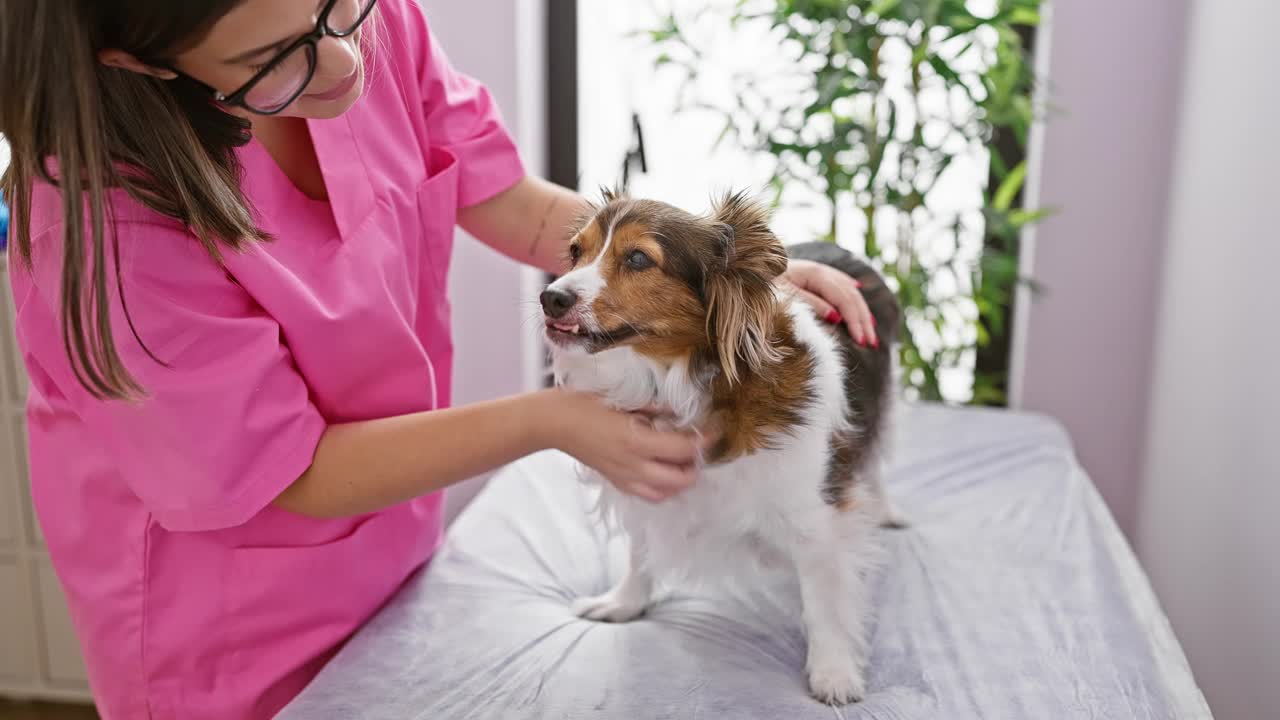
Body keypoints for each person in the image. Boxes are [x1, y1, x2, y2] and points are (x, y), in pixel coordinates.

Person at [0, 1, 878, 717]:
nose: (347, 64)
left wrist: (737, 281)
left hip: (397, 556)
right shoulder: (103, 224)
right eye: (279, 57)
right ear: (143, 61)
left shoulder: (367, 24)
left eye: (341, 8)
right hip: (227, 629)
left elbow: (511, 202)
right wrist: (548, 420)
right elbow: (283, 472)